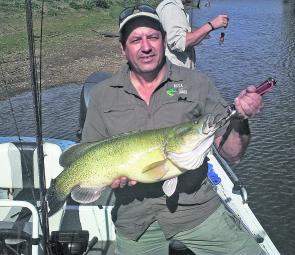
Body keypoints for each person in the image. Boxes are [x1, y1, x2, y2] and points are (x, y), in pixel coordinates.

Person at [81, 4, 265, 255]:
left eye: (153, 37)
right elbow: (89, 154)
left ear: (164, 41)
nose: (146, 47)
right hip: (135, 221)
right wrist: (108, 180)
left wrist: (240, 119)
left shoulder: (197, 83)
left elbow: (233, 154)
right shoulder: (102, 96)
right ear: (123, 48)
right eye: (135, 40)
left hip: (197, 210)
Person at [156, 0, 229, 69]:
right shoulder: (171, 8)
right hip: (174, 77)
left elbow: (189, 39)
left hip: (179, 75)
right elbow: (180, 42)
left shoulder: (176, 7)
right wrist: (211, 25)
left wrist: (211, 27)